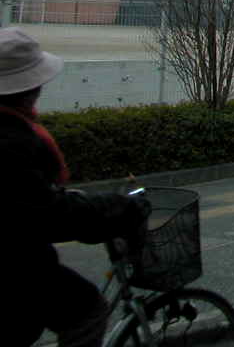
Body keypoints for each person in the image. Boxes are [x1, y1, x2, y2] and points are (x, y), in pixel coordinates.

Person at [0, 28, 150, 347]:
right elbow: (47, 214)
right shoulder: (11, 141)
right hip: (14, 268)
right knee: (87, 311)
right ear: (31, 88)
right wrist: (115, 209)